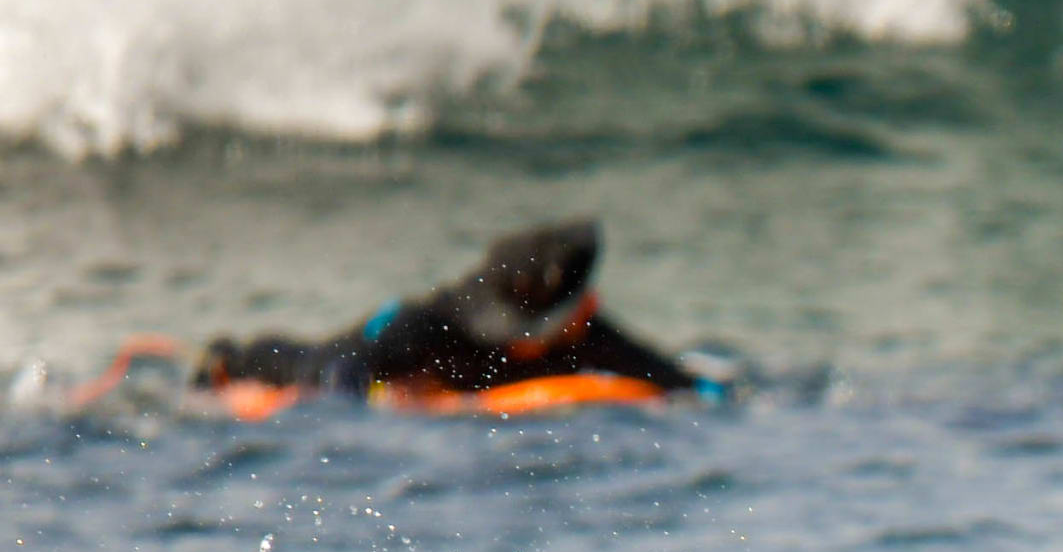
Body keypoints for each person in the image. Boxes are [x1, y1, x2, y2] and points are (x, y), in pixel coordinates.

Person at [186, 221, 707, 405]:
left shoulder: (583, 334)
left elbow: (680, 382)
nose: (590, 312)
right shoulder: (431, 328)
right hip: (371, 359)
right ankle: (227, 357)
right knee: (317, 360)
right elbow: (338, 374)